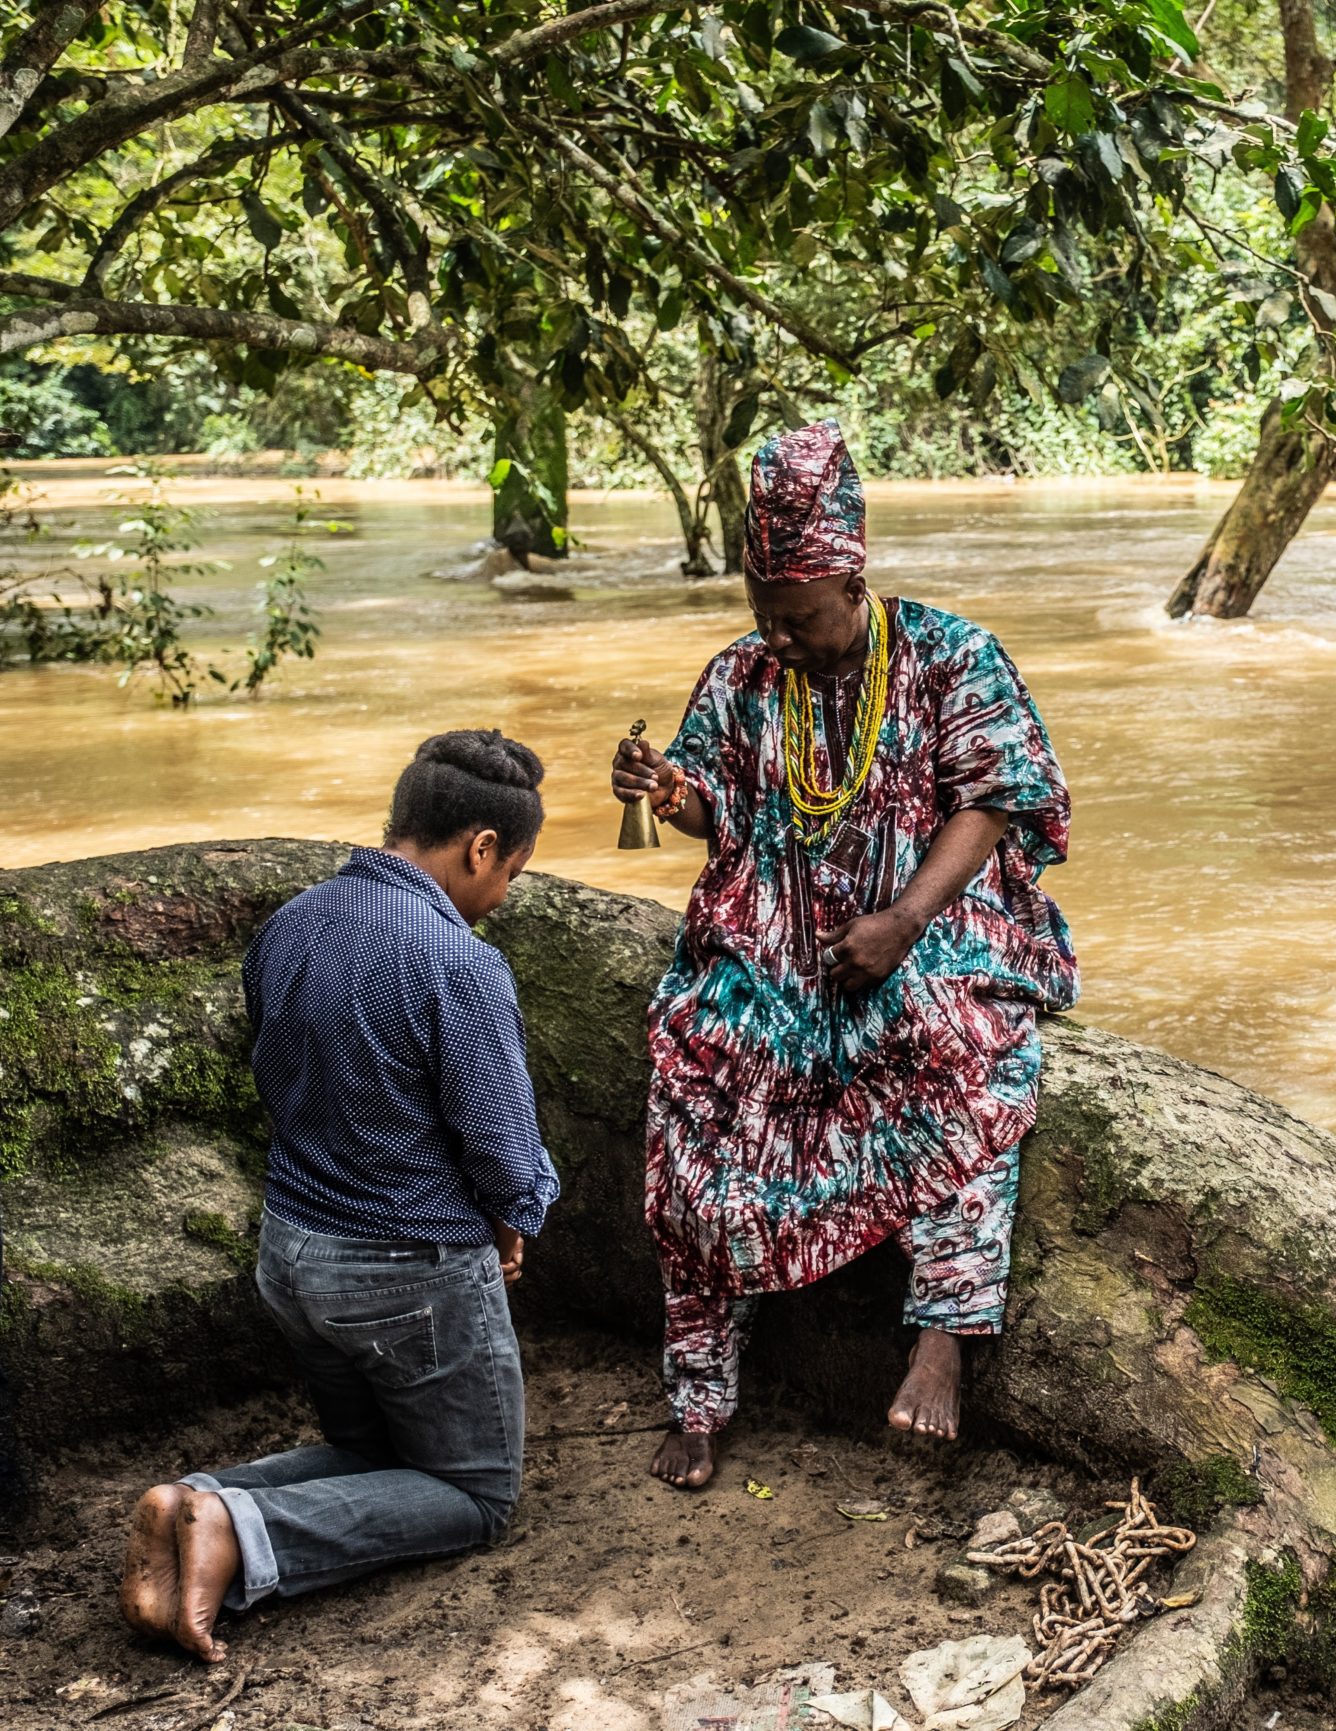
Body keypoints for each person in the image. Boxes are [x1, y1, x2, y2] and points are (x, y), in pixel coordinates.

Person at [612, 418, 1075, 1489]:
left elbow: (997, 798)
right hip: (774, 918)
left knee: (950, 1039)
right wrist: (673, 794)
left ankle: (943, 1337)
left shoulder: (950, 653)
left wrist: (905, 920)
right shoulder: (740, 675)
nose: (780, 638)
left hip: (935, 917)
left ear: (851, 578)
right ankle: (699, 1389)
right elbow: (715, 805)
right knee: (702, 1059)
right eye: (765, 617)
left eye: (801, 618)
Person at [118, 731, 560, 1662]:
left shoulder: (293, 922)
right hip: (409, 1280)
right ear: (481, 847)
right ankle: (239, 1530)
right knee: (475, 1494)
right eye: (511, 872)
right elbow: (504, 1150)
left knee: (379, 1455)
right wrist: (515, 1218)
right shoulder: (458, 961)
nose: (503, 894)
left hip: (292, 1253)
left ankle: (195, 1503)